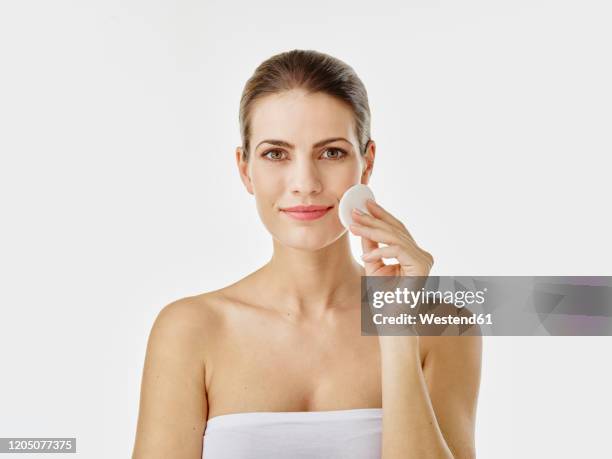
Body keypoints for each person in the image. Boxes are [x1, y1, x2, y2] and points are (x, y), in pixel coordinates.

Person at [132, 49, 482, 459]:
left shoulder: (441, 328)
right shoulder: (190, 329)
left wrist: (396, 330)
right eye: (276, 154)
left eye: (331, 152)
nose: (305, 182)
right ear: (245, 169)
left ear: (366, 164)